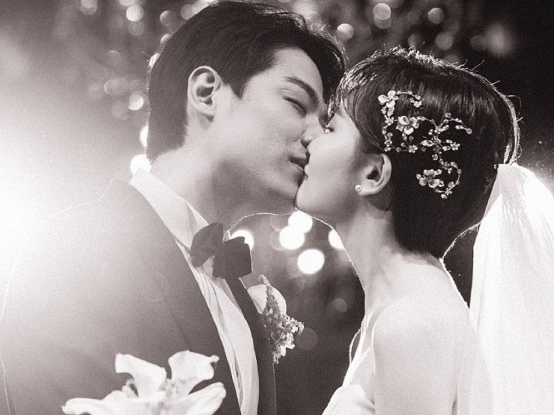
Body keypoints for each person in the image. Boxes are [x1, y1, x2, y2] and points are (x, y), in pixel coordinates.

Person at [0, 2, 344, 415]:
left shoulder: (239, 296)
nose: (317, 138)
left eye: (324, 123)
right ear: (206, 93)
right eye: (296, 103)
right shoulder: (71, 252)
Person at [297, 47, 554, 414]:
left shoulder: (412, 323)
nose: (311, 139)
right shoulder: (398, 312)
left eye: (331, 127)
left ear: (373, 173)